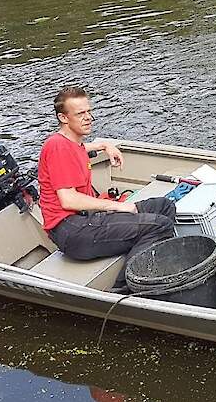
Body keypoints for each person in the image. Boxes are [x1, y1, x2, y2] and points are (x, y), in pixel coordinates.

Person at [37, 86, 177, 291]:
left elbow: (80, 149)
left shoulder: (71, 143)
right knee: (159, 225)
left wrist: (104, 146)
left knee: (164, 206)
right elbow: (69, 200)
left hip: (85, 220)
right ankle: (127, 288)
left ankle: (155, 260)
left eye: (88, 111)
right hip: (72, 231)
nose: (88, 117)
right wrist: (119, 207)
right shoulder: (57, 147)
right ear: (63, 118)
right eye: (80, 114)